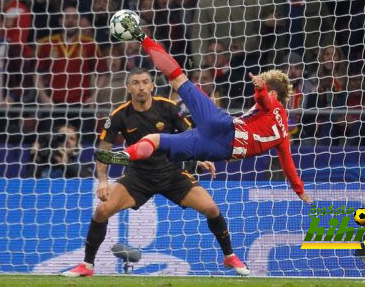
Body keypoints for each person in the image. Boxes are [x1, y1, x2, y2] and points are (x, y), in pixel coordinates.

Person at [95, 16, 312, 206]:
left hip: (223, 127)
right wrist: (299, 190)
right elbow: (288, 165)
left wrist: (260, 87)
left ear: (274, 91)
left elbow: (263, 99)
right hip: (219, 150)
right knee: (156, 140)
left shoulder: (272, 103)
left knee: (177, 78)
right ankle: (124, 156)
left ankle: (143, 37)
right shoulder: (283, 136)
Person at [63, 69, 250, 277]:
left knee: (211, 208)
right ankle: (87, 266)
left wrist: (200, 158)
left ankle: (229, 256)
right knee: (101, 211)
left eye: (145, 82)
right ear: (128, 88)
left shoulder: (168, 108)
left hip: (171, 173)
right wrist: (103, 181)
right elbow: (103, 150)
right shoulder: (119, 115)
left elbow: (191, 137)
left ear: (152, 86)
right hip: (138, 177)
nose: (141, 87)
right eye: (135, 83)